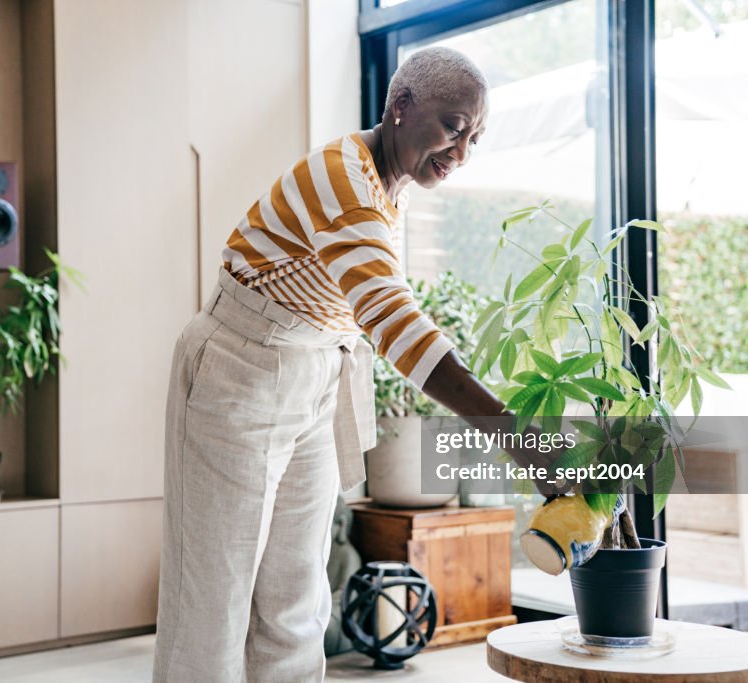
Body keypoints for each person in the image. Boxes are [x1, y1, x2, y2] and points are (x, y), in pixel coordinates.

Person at [153, 46, 541, 682]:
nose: (461, 151)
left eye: (474, 136)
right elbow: (394, 322)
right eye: (452, 126)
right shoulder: (345, 181)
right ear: (400, 106)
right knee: (214, 601)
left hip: (313, 373)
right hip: (238, 371)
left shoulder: (393, 186)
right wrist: (520, 439)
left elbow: (380, 308)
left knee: (294, 601)